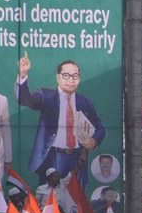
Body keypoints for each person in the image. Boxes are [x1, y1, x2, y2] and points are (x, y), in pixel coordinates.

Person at [15, 54, 105, 186]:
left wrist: (94, 141)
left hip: (77, 159)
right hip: (52, 157)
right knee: (50, 202)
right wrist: (23, 75)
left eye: (75, 76)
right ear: (58, 77)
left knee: (76, 203)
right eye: (66, 75)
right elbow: (25, 99)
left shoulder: (85, 102)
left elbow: (101, 128)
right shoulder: (46, 96)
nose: (71, 80)